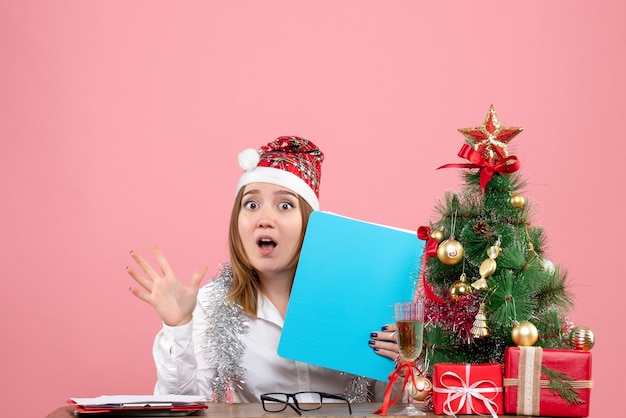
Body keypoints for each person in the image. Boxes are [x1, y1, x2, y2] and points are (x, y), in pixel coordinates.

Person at [127, 136, 400, 404]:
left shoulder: (361, 295)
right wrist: (178, 327)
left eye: (285, 205)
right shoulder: (211, 304)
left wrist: (405, 363)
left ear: (310, 223)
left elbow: (394, 404)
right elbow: (184, 406)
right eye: (252, 204)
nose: (265, 220)